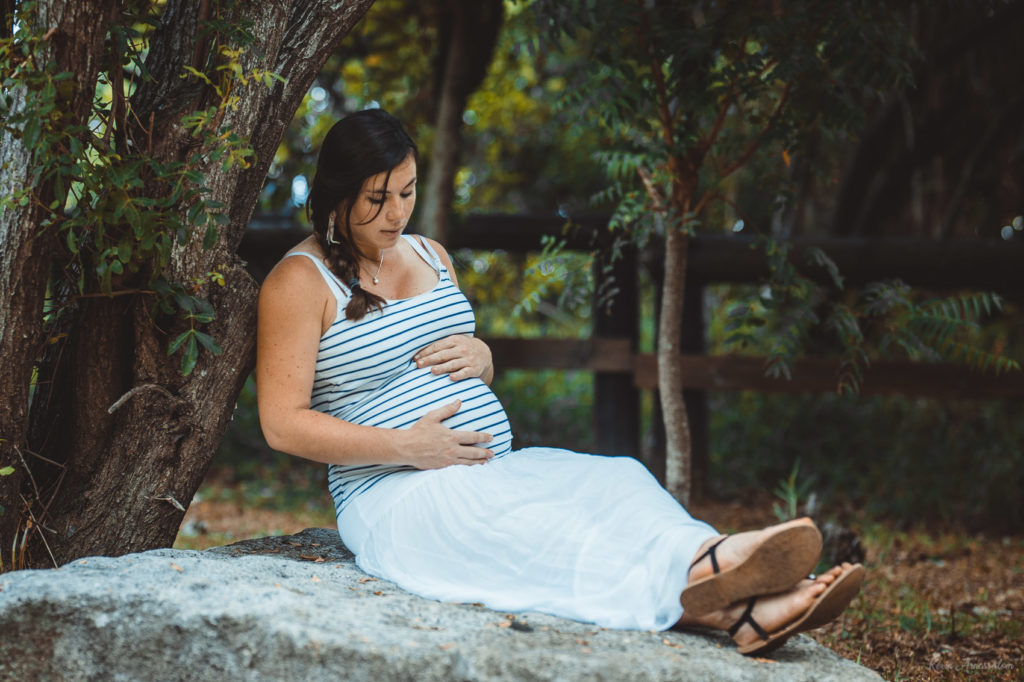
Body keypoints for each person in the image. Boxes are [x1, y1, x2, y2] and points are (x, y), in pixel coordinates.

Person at [255, 108, 865, 656]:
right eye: (376, 198)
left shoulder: (432, 254)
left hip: (496, 467)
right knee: (551, 534)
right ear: (335, 195)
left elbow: (460, 359)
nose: (396, 212)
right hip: (397, 494)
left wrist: (483, 358)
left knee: (614, 482)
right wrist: (405, 448)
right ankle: (733, 576)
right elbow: (282, 424)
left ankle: (740, 596)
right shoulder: (299, 283)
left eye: (407, 192)